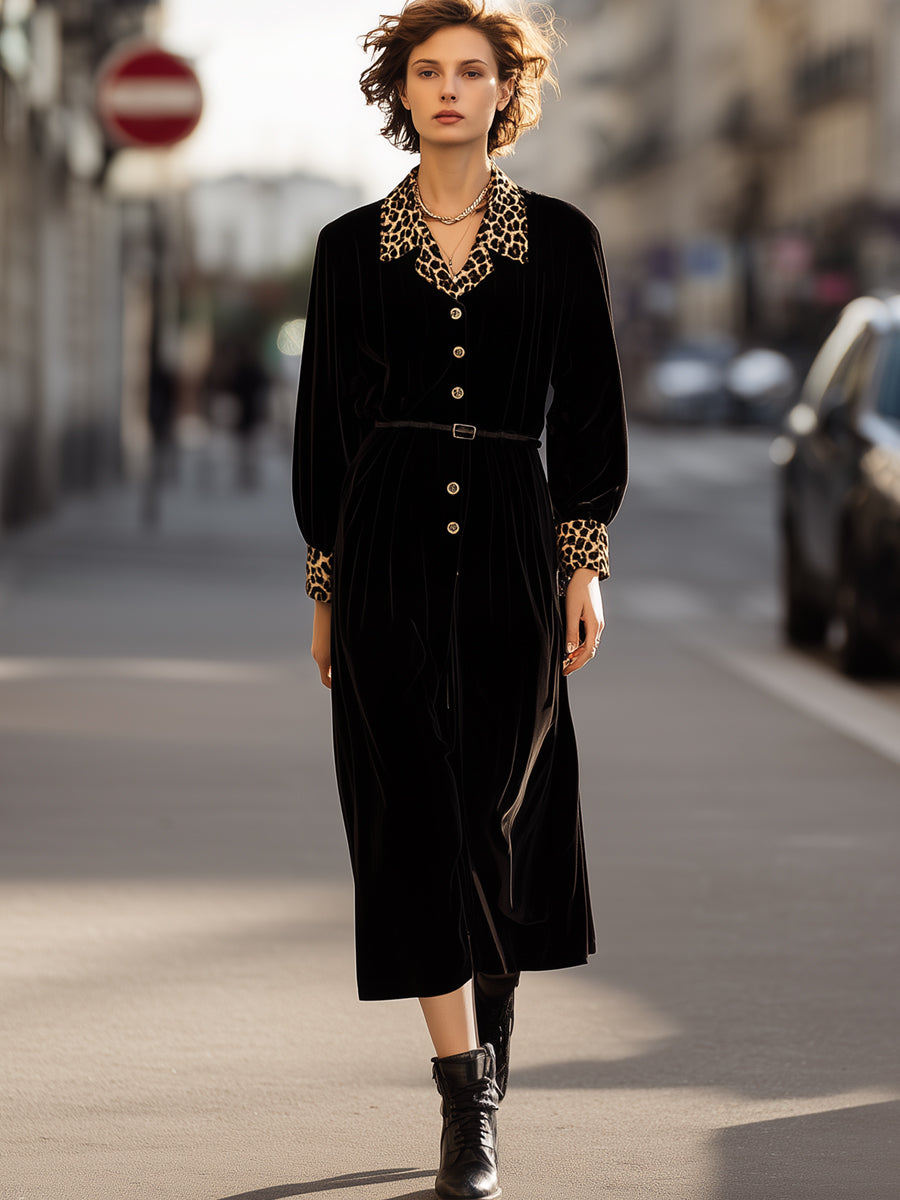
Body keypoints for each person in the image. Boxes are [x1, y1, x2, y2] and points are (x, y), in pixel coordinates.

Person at [291, 2, 628, 1196]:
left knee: (492, 816)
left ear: (503, 91)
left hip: (510, 547)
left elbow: (590, 412)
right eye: (427, 70)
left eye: (471, 71)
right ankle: (465, 1104)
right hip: (382, 547)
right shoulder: (348, 248)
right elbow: (326, 426)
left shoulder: (562, 239)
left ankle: (486, 1037)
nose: (447, 88)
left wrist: (583, 561)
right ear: (401, 91)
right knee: (415, 819)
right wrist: (326, 587)